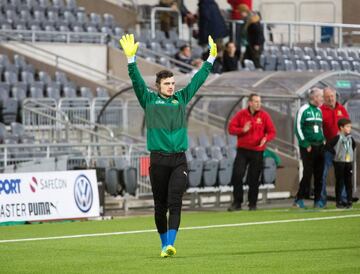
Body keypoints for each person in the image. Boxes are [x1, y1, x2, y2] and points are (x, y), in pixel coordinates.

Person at [119, 34, 217, 257]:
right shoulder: (149, 100)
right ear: (158, 86)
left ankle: (171, 244)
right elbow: (136, 82)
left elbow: (197, 80)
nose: (171, 87)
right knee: (159, 206)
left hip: (178, 159)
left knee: (175, 200)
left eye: (173, 83)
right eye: (167, 84)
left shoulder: (181, 99)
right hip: (158, 159)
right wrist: (131, 61)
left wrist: (210, 59)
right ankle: (164, 245)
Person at [228, 93, 276, 211]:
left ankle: (252, 204)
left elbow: (272, 131)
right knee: (237, 175)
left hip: (257, 151)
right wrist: (242, 129)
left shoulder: (264, 116)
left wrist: (266, 138)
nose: (258, 104)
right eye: (256, 101)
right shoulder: (241, 114)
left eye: (259, 101)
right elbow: (231, 129)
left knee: (254, 178)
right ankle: (237, 203)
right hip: (243, 151)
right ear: (250, 103)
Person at [294, 87, 325, 208]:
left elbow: (320, 127)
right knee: (307, 174)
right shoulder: (303, 109)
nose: (322, 99)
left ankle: (317, 200)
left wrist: (323, 140)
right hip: (308, 147)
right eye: (320, 96)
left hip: (320, 146)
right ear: (314, 97)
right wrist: (305, 143)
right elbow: (297, 128)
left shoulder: (319, 111)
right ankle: (299, 199)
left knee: (319, 175)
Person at [320, 87, 349, 207]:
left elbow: (347, 126)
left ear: (335, 96)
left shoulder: (342, 109)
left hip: (341, 148)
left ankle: (342, 199)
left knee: (341, 175)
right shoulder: (320, 110)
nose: (330, 99)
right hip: (327, 148)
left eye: (332, 96)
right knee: (322, 174)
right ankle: (321, 200)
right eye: (327, 97)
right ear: (324, 98)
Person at [325, 118, 356, 208]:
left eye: (350, 127)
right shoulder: (337, 138)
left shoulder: (350, 139)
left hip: (348, 162)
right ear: (341, 128)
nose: (349, 128)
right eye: (347, 127)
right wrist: (336, 153)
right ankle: (339, 201)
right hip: (339, 162)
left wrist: (349, 155)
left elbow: (353, 146)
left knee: (348, 182)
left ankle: (349, 201)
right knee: (340, 182)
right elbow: (328, 146)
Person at [238, 4, 264, 69]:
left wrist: (257, 44)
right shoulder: (249, 20)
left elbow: (259, 33)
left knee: (255, 60)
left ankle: (259, 71)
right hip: (250, 43)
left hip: (255, 44)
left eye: (240, 12)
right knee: (246, 59)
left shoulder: (252, 20)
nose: (240, 14)